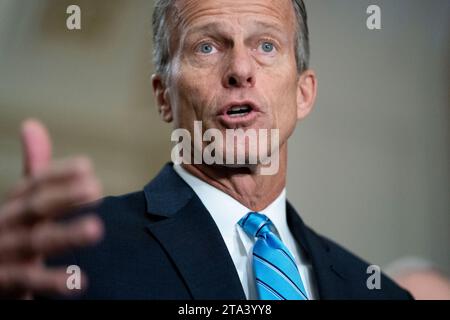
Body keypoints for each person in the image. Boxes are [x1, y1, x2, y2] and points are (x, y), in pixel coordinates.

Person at [0, 0, 413, 300]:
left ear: (303, 93)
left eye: (266, 45)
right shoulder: (72, 253)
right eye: (207, 47)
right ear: (163, 97)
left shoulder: (377, 292)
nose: (239, 69)